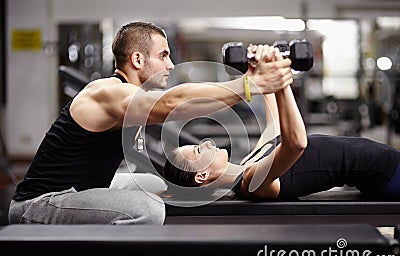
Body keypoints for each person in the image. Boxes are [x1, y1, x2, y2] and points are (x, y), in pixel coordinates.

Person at [8, 21, 294, 224]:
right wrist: (249, 85)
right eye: (163, 56)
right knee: (150, 209)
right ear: (137, 59)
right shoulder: (108, 93)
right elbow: (171, 104)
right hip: (40, 204)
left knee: (150, 182)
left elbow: (174, 103)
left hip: (76, 192)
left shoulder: (128, 94)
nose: (170, 65)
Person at [163, 47, 400, 201]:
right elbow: (296, 143)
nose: (204, 143)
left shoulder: (248, 165)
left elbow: (274, 126)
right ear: (201, 177)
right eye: (195, 150)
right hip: (385, 172)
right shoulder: (251, 183)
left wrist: (258, 74)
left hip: (383, 163)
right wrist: (280, 79)